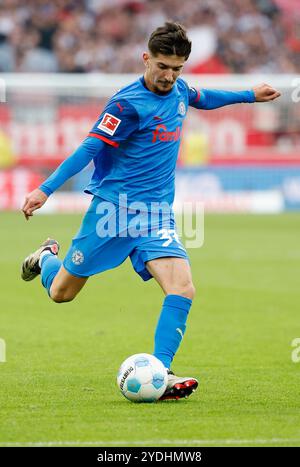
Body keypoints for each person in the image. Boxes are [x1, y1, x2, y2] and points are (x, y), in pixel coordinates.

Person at [21, 22, 281, 401]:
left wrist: (249, 95)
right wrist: (46, 189)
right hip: (112, 212)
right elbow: (88, 149)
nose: (168, 76)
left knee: (182, 287)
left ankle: (162, 371)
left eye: (177, 68)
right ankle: (47, 259)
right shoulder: (125, 104)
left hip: (156, 215)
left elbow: (204, 97)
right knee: (61, 293)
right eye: (162, 66)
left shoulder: (178, 90)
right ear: (146, 58)